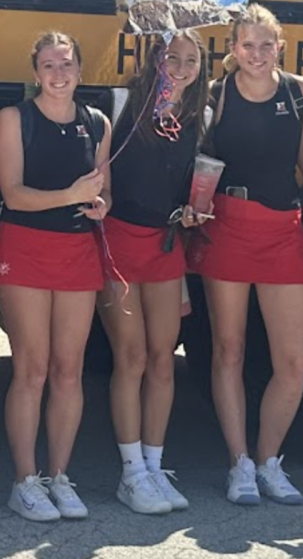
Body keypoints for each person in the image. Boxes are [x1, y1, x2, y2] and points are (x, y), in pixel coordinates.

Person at [186, 4, 303, 506]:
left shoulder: (300, 91)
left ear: (280, 46)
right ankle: (239, 462)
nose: (258, 54)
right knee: (229, 350)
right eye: (248, 45)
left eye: (267, 45)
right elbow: (200, 159)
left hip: (284, 228)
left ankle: (269, 461)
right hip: (228, 224)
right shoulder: (217, 96)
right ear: (233, 49)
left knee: (294, 360)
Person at [0, 32, 111, 522]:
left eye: (67, 64)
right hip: (25, 248)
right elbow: (13, 194)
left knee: (68, 370)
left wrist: (100, 205)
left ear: (80, 70)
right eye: (49, 65)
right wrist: (70, 194)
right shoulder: (17, 119)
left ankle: (59, 476)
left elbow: (104, 193)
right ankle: (25, 480)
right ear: (35, 72)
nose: (59, 74)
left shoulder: (97, 122)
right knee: (31, 369)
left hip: (78, 250)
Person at [101, 31, 207, 515]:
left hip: (166, 244)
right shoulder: (123, 102)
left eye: (191, 61)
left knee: (164, 357)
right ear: (154, 60)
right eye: (172, 58)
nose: (181, 68)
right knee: (132, 355)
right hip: (119, 240)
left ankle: (154, 463)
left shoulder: (199, 117)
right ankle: (131, 473)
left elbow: (192, 186)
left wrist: (193, 211)